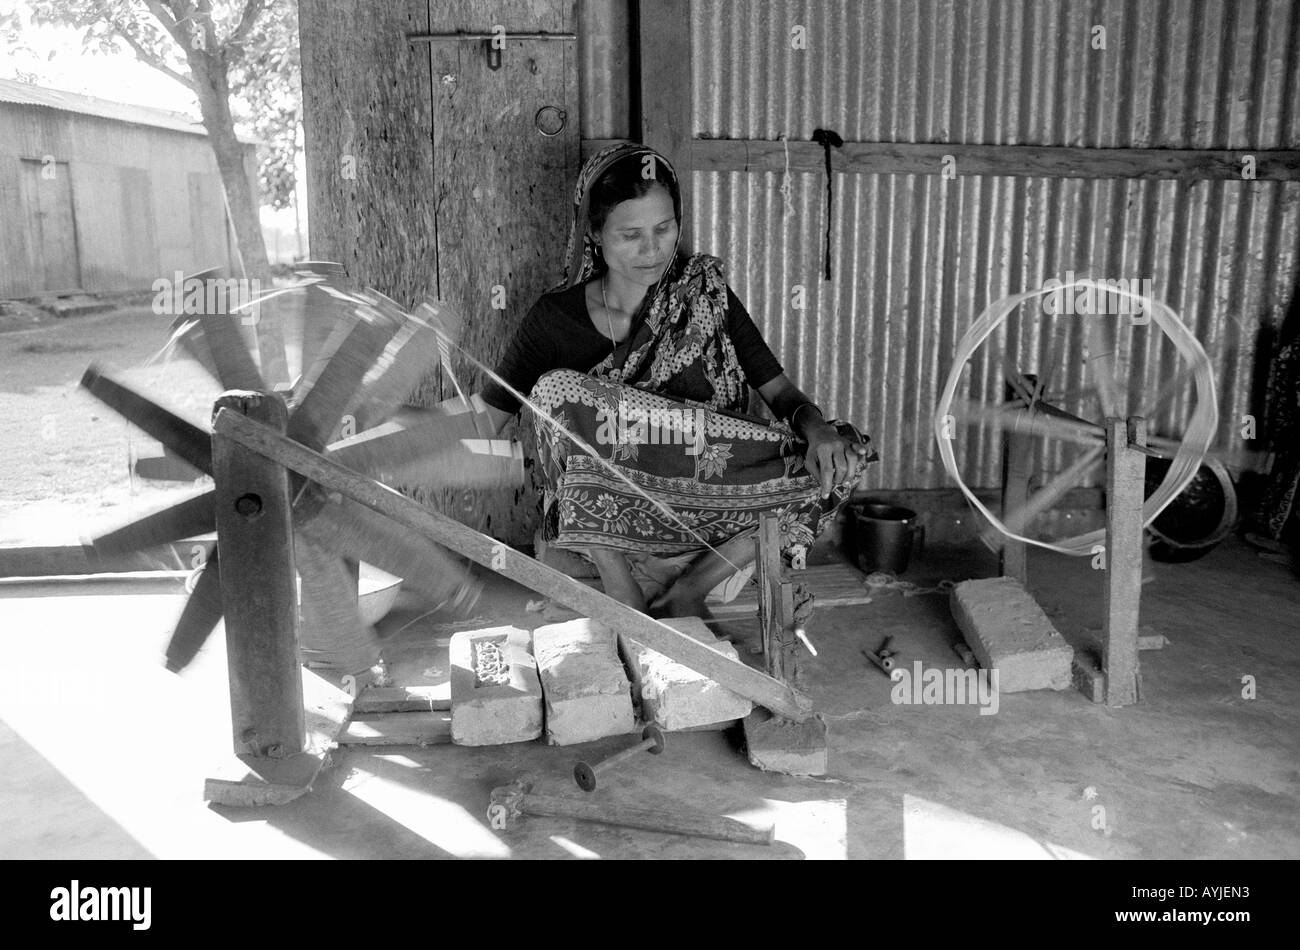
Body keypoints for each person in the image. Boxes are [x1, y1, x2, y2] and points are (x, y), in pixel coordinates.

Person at [479, 143, 872, 618]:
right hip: (611, 522)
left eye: (664, 229)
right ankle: (622, 589)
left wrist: (818, 433)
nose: (652, 250)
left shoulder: (703, 295)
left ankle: (692, 588)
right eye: (630, 234)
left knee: (843, 456)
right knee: (555, 394)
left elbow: (781, 393)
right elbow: (486, 422)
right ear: (595, 235)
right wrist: (402, 434)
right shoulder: (554, 320)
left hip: (706, 507)